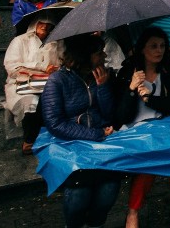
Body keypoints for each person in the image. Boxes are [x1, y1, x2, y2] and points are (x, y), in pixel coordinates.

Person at [41, 35, 120, 228]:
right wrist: (96, 134)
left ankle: (95, 224)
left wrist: (102, 87)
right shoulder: (57, 80)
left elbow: (110, 114)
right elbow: (54, 123)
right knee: (79, 192)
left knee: (109, 189)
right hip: (71, 142)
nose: (103, 56)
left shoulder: (100, 76)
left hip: (102, 139)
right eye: (98, 52)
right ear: (84, 55)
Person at [114, 27, 170, 227]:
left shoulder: (169, 70)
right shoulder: (127, 72)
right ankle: (133, 212)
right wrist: (131, 89)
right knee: (148, 162)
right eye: (153, 46)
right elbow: (120, 115)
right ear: (142, 49)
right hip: (135, 129)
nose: (159, 50)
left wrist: (150, 99)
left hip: (164, 126)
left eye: (162, 46)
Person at [3, 16, 61, 154]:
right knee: (32, 103)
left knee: (54, 100)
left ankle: (50, 138)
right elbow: (11, 66)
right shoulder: (20, 40)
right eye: (42, 23)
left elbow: (62, 61)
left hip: (48, 82)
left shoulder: (57, 42)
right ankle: (29, 141)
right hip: (23, 83)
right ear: (35, 23)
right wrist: (40, 67)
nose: (45, 26)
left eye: (49, 24)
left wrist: (55, 68)